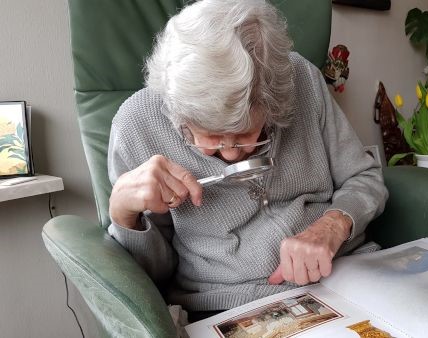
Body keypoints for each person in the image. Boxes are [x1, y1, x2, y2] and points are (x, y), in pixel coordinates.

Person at [106, 0, 388, 318]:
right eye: (210, 137)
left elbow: (364, 177)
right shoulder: (136, 125)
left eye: (245, 135)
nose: (229, 153)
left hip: (346, 273)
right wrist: (123, 215)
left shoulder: (302, 81)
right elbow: (151, 275)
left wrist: (332, 227)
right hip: (231, 304)